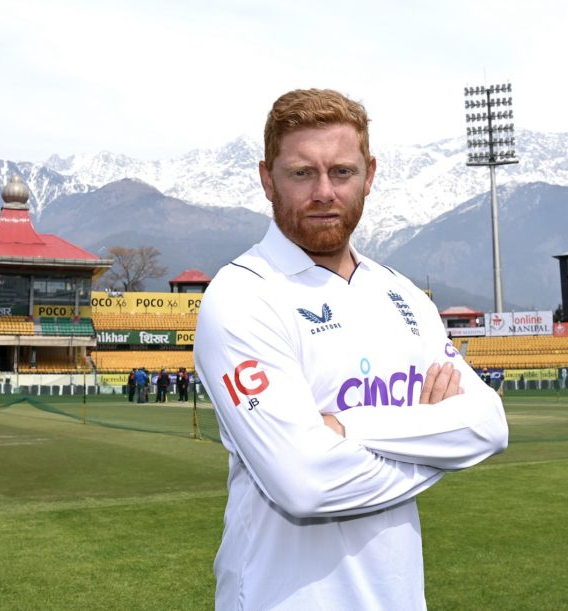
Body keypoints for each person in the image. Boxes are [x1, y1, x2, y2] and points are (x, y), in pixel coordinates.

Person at [193, 89, 509, 610]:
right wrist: (438, 448)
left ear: (370, 174)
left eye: (341, 172)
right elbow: (305, 485)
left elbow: (488, 425)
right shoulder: (242, 295)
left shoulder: (402, 294)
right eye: (301, 173)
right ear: (267, 178)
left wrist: (350, 428)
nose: (323, 191)